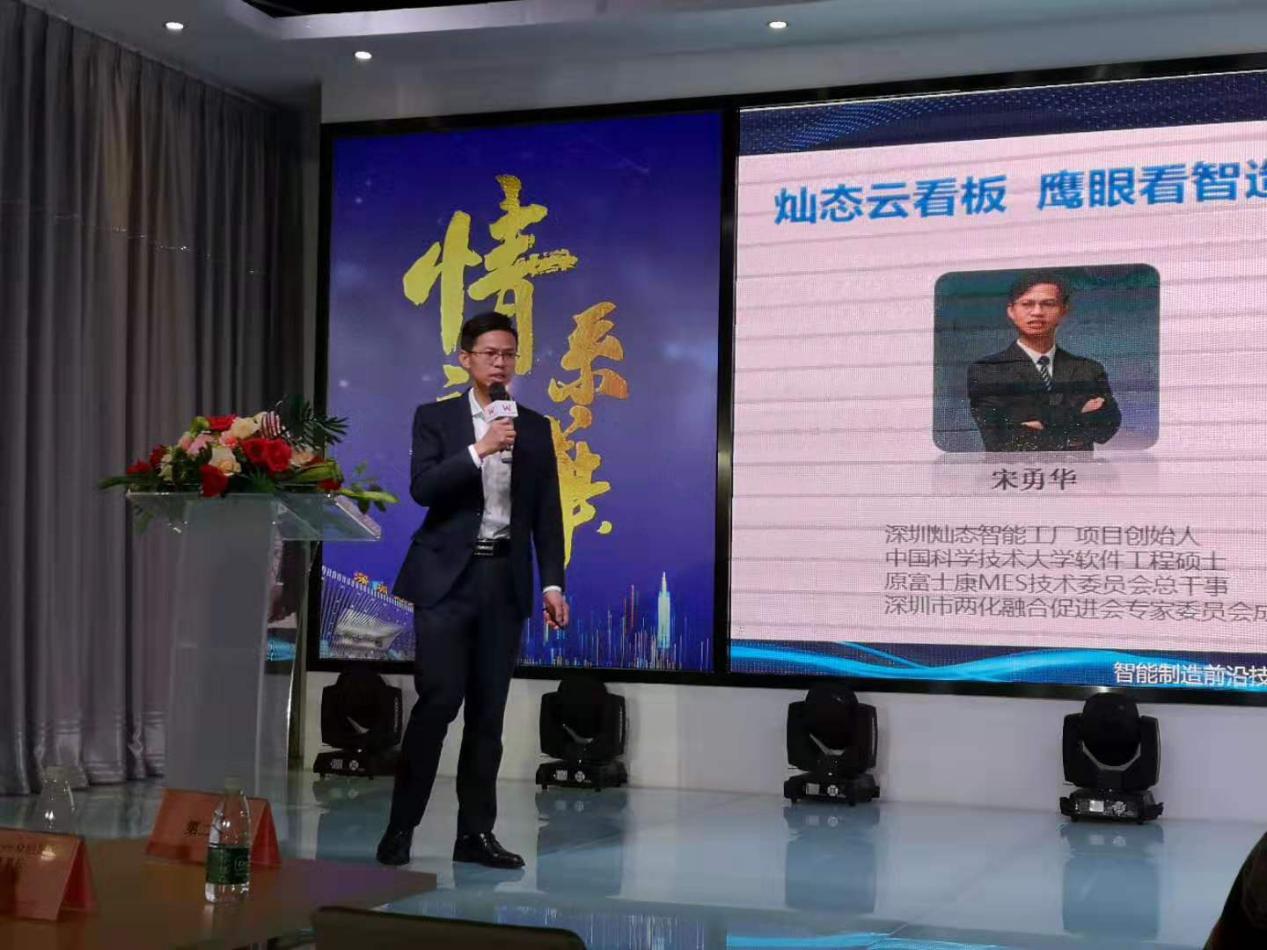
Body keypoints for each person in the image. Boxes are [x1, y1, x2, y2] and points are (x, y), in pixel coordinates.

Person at [377, 311, 568, 869]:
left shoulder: (535, 427)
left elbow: (547, 512)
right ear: (465, 359)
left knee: (489, 715)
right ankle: (400, 828)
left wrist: (552, 582)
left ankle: (475, 835)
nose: (500, 363)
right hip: (446, 582)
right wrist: (479, 449)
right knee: (438, 703)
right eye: (490, 353)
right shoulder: (435, 418)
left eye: (509, 354)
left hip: (503, 580)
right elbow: (423, 488)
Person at [966, 273, 1121, 452]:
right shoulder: (986, 371)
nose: (1037, 312)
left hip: (1077, 469)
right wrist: (1077, 416)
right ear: (1011, 311)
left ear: (1064, 311)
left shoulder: (1089, 369)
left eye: (1048, 304)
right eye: (1027, 304)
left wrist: (1040, 424)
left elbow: (1106, 428)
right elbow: (1001, 440)